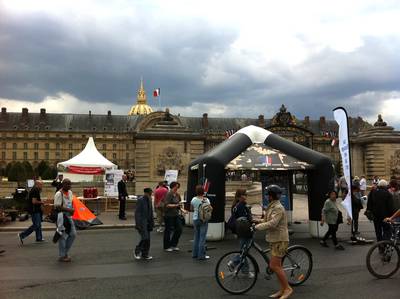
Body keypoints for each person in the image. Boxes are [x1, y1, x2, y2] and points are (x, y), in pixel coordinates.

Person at [255, 185, 292, 299]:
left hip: (280, 239)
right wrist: (255, 220)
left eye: (268, 195)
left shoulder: (278, 208)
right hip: (274, 239)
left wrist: (257, 227)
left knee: (274, 266)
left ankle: (287, 289)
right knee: (277, 266)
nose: (266, 196)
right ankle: (282, 289)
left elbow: (273, 223)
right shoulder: (272, 206)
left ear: (272, 196)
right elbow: (267, 220)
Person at [227, 188, 253, 273]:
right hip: (245, 231)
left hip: (240, 230)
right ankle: (233, 263)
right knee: (244, 251)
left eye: (246, 194)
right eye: (244, 195)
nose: (245, 196)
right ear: (239, 196)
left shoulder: (236, 205)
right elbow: (244, 219)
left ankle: (245, 270)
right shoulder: (240, 206)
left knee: (244, 250)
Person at [54, 179, 76, 262]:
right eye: (67, 184)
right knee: (63, 236)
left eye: (70, 184)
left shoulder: (70, 192)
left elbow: (71, 202)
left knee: (73, 234)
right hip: (61, 216)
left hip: (69, 216)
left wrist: (72, 210)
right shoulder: (59, 194)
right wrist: (69, 210)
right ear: (63, 185)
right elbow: (57, 207)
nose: (69, 186)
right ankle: (62, 255)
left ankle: (64, 252)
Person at [18, 180, 45, 244]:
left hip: (35, 210)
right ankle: (22, 235)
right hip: (34, 210)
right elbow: (34, 201)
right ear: (37, 184)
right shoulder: (35, 190)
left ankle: (39, 238)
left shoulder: (35, 189)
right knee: (36, 225)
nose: (42, 186)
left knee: (38, 225)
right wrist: (42, 202)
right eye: (41, 185)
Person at [134, 188, 154, 260]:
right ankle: (137, 251)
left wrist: (152, 222)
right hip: (142, 222)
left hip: (148, 222)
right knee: (145, 238)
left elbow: (150, 211)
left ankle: (145, 254)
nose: (151, 194)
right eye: (150, 193)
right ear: (146, 193)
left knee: (148, 239)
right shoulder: (141, 200)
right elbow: (137, 213)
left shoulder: (149, 199)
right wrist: (138, 224)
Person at [191, 185, 210, 260]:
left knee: (196, 237)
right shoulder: (206, 200)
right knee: (202, 238)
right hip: (204, 219)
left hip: (195, 218)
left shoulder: (193, 199)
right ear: (203, 192)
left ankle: (194, 254)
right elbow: (209, 209)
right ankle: (201, 255)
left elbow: (191, 209)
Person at [163, 182, 183, 252]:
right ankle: (166, 246)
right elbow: (166, 205)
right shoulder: (169, 194)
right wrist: (176, 205)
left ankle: (173, 244)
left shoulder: (177, 195)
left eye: (178, 187)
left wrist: (183, 210)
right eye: (176, 187)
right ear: (172, 187)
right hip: (168, 215)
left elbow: (179, 204)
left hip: (176, 214)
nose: (177, 188)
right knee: (168, 230)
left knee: (179, 229)